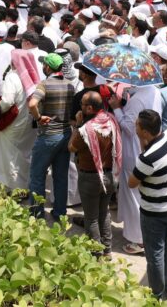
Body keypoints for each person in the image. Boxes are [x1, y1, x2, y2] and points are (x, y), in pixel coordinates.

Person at [128, 110, 167, 300]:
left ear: (144, 132)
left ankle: (157, 295)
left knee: (154, 255)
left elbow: (132, 182)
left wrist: (142, 148)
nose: (134, 128)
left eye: (137, 126)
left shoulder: (147, 158)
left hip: (155, 212)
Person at [68, 91, 121, 258]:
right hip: (109, 175)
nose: (80, 107)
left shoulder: (86, 129)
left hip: (90, 178)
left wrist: (77, 124)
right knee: (103, 213)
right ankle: (107, 250)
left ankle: (95, 254)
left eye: (82, 105)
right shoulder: (111, 120)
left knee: (91, 218)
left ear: (89, 108)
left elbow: (71, 147)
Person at [27, 53, 76, 221]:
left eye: (44, 65)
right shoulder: (70, 85)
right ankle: (60, 212)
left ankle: (36, 213)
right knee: (61, 177)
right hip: (65, 135)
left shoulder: (45, 84)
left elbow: (32, 104)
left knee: (37, 175)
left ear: (48, 67)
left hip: (48, 135)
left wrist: (39, 117)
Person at [0, 49, 40, 190]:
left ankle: (14, 188)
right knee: (24, 154)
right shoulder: (34, 78)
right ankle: (24, 186)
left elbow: (7, 101)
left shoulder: (13, 77)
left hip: (13, 123)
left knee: (9, 155)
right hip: (28, 122)